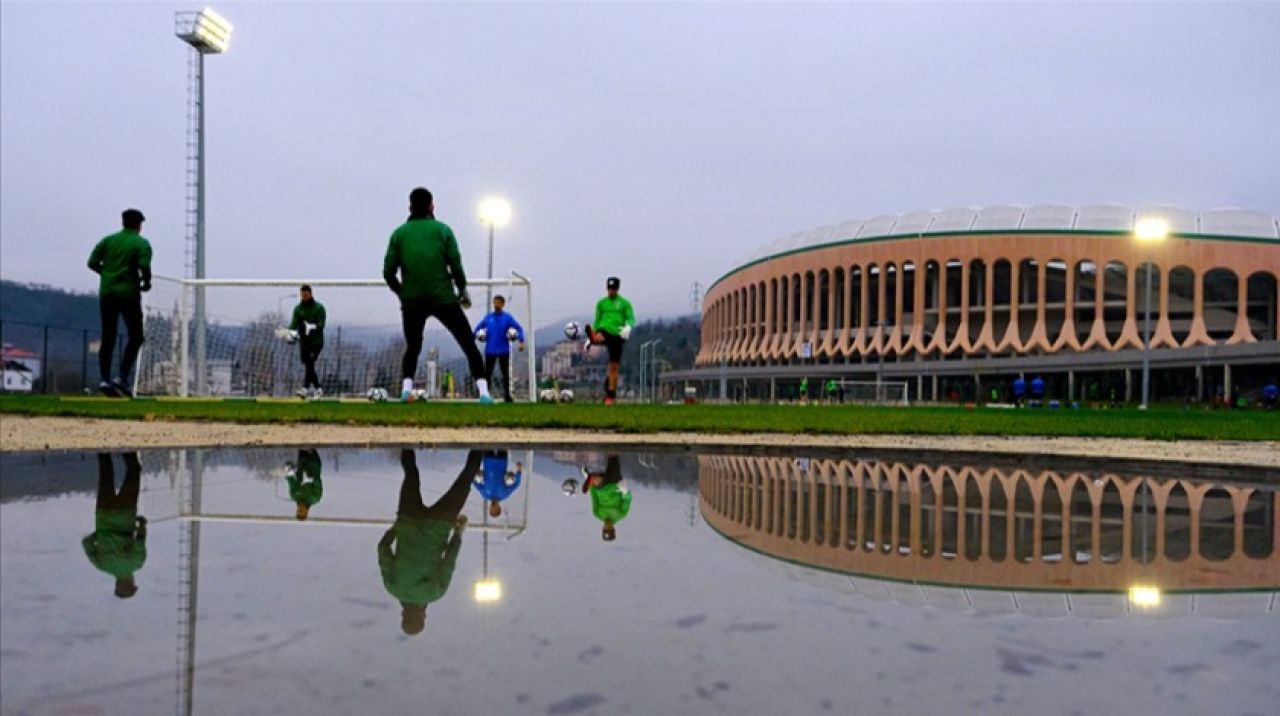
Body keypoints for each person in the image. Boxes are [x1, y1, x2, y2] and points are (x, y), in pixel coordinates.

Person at [383, 187, 491, 403]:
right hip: (443, 298)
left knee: (413, 346)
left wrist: (402, 293)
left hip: (412, 301)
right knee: (468, 345)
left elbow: (388, 272)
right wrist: (462, 290)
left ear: (410, 207)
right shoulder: (443, 230)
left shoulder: (399, 234)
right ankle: (484, 393)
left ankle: (406, 390)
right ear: (432, 206)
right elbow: (456, 264)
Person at [378, 449, 481, 635]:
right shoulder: (391, 587)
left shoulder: (435, 593)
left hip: (439, 525)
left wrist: (458, 533)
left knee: (465, 480)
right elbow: (383, 548)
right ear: (403, 615)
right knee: (411, 473)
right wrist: (396, 528)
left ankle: (483, 440)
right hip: (408, 519)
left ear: (422, 617)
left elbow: (449, 560)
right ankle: (406, 434)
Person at [87, 209, 152, 398]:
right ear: (139, 225)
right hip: (129, 294)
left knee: (108, 335)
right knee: (136, 336)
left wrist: (106, 274)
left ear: (123, 222)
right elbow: (144, 266)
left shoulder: (108, 241)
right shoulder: (141, 243)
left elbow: (91, 262)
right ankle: (122, 376)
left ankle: (104, 379)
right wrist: (146, 282)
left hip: (107, 293)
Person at [82, 452, 147, 598]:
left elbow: (140, 540)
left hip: (126, 512)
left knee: (134, 469)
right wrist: (102, 533)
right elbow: (86, 543)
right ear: (117, 583)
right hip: (104, 514)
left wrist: (141, 524)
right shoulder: (101, 565)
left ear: (130, 581)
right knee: (106, 471)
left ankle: (125, 445)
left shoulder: (136, 563)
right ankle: (100, 441)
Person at [584, 276, 635, 405]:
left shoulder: (625, 303)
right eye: (609, 289)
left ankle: (611, 395)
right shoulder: (601, 303)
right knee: (601, 333)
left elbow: (630, 318)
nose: (611, 291)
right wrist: (593, 333)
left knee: (613, 366)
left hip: (618, 334)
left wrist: (628, 327)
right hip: (604, 329)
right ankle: (594, 338)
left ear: (617, 289)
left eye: (613, 289)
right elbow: (597, 321)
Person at [473, 295, 525, 403]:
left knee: (505, 375)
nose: (496, 304)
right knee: (487, 374)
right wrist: (472, 338)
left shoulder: (507, 318)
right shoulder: (488, 318)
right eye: (494, 302)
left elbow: (519, 328)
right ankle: (485, 395)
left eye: (498, 303)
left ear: (502, 304)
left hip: (503, 350)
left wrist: (521, 341)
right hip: (490, 350)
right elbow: (478, 328)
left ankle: (507, 396)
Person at [289, 285, 327, 399]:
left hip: (316, 342)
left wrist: (313, 326)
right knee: (308, 365)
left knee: (310, 363)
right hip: (304, 342)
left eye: (306, 295)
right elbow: (294, 324)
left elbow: (321, 324)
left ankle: (306, 389)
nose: (304, 297)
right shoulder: (298, 309)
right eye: (302, 295)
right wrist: (290, 333)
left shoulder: (319, 308)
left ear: (311, 294)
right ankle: (318, 389)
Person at [583, 454, 631, 542]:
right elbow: (627, 500)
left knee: (598, 482)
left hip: (601, 488)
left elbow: (594, 497)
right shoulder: (621, 514)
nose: (607, 526)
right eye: (609, 529)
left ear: (602, 528)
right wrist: (625, 491)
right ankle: (612, 449)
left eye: (605, 528)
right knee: (613, 457)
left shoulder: (597, 513)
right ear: (613, 528)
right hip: (615, 484)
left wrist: (591, 486)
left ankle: (590, 478)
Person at [472, 449, 522, 518]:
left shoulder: (485, 494)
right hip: (501, 461)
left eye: (492, 510)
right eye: (495, 509)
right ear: (499, 507)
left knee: (488, 441)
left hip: (488, 460)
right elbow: (516, 484)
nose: (493, 508)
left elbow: (474, 483)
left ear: (489, 508)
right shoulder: (504, 495)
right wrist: (519, 471)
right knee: (502, 441)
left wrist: (471, 473)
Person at [286, 448, 323, 521]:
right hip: (313, 463)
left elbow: (292, 482)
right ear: (307, 511)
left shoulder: (294, 495)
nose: (300, 509)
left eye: (298, 511)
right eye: (302, 511)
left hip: (301, 462)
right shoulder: (315, 498)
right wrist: (310, 479)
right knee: (310, 445)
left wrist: (288, 472)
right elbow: (318, 481)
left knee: (301, 444)